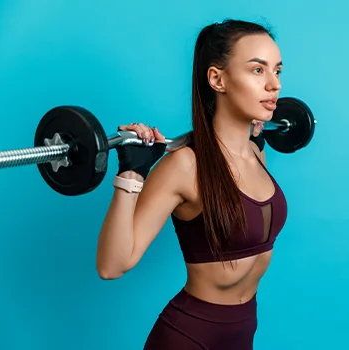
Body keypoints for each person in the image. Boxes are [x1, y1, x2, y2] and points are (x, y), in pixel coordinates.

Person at [96, 18, 288, 350]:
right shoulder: (184, 165)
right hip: (189, 337)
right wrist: (131, 173)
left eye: (278, 71)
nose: (274, 84)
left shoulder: (258, 153)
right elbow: (112, 265)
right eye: (258, 70)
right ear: (217, 79)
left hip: (242, 332)